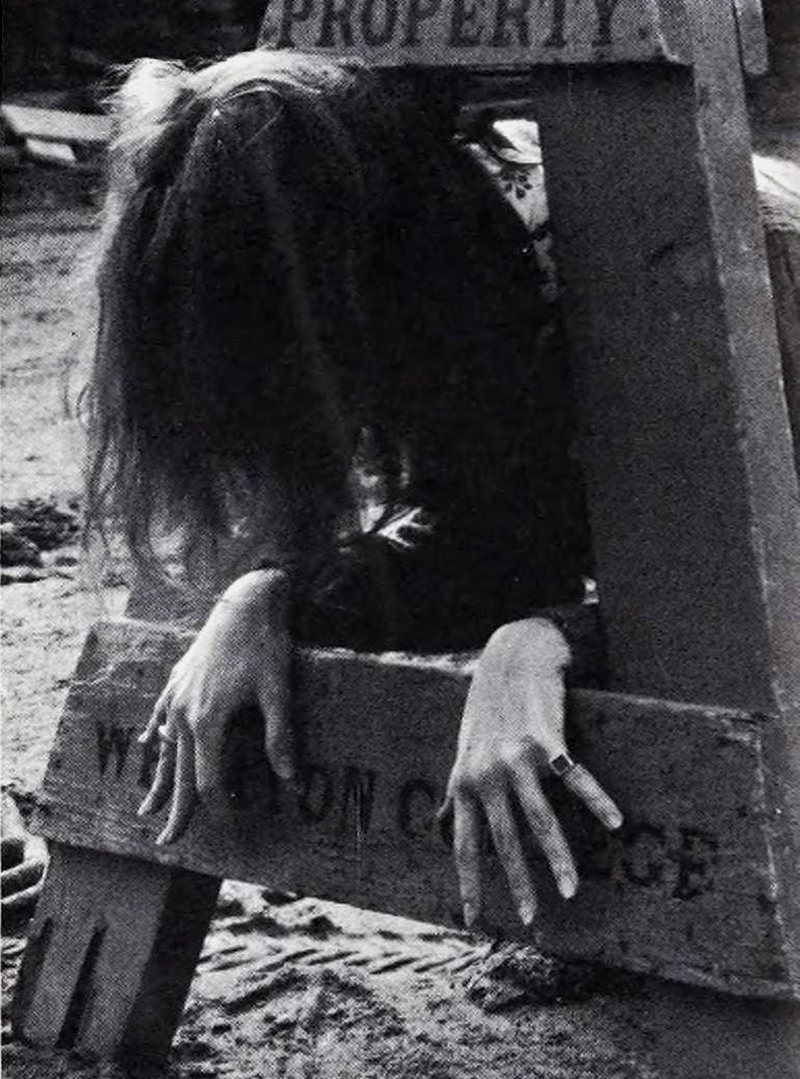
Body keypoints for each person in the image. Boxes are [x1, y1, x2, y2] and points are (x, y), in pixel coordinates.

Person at [84, 47, 624, 931]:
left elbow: (748, 563)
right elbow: (492, 516)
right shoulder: (448, 245)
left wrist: (559, 639)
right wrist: (273, 594)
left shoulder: (670, 256)